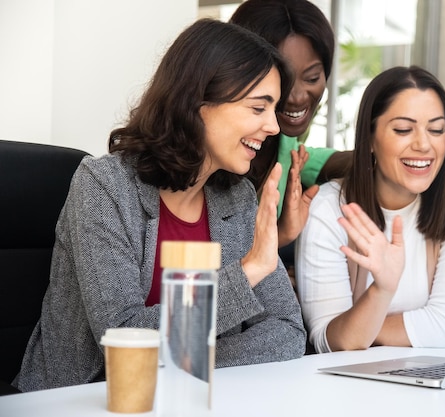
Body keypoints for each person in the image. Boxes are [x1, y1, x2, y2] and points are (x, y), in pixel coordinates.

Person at [14, 18, 306, 392]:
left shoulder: (238, 198)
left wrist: (183, 364)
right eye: (257, 108)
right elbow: (121, 337)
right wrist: (247, 272)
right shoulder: (105, 186)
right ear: (199, 101)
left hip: (188, 398)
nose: (273, 126)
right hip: (83, 401)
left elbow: (287, 332)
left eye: (274, 109)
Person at [295, 66, 445, 353]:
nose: (423, 144)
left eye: (436, 129)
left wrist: (361, 329)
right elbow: (330, 342)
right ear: (369, 139)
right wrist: (382, 290)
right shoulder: (329, 209)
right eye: (403, 130)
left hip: (427, 381)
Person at [229, 0, 352, 252]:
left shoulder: (287, 148)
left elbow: (325, 161)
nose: (296, 97)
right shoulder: (214, 154)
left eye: (312, 78)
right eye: (283, 79)